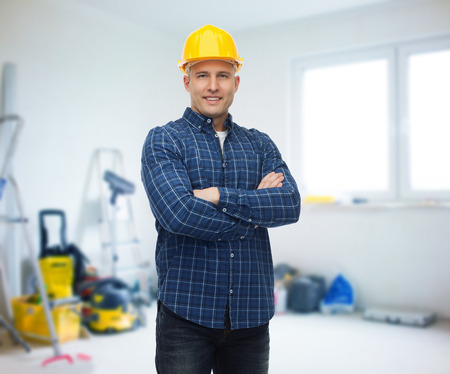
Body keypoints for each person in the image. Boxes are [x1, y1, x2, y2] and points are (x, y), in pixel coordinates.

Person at [141, 24, 301, 374]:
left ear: (236, 82)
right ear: (187, 81)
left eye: (223, 75)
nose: (213, 86)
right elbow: (179, 215)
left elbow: (290, 204)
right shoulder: (164, 141)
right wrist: (255, 210)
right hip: (186, 315)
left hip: (251, 315)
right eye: (202, 75)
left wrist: (217, 196)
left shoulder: (260, 144)